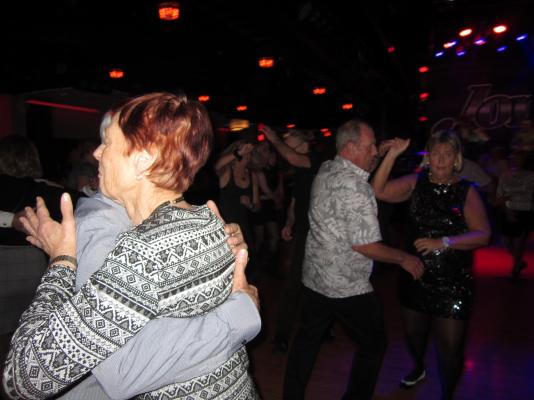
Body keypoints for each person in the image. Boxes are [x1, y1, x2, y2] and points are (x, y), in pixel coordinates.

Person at [3, 92, 260, 399]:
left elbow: (23, 378)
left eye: (108, 143)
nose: (96, 153)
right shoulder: (210, 220)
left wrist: (62, 261)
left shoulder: (140, 251)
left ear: (142, 161)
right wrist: (239, 315)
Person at [283, 119, 424, 400]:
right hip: (346, 286)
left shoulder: (327, 168)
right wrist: (403, 258)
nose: (374, 150)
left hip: (315, 278)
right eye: (370, 146)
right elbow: (366, 246)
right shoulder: (357, 189)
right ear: (351, 147)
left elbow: (361, 172)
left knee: (306, 341)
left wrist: (381, 153)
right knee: (374, 344)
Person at [372, 129, 491, 399]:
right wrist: (391, 155)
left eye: (447, 154)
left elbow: (483, 234)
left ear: (456, 159)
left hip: (453, 281)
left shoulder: (467, 191)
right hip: (415, 274)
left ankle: (447, 394)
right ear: (428, 157)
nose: (441, 160)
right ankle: (418, 367)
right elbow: (379, 190)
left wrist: (444, 242)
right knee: (414, 335)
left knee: (450, 347)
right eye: (436, 153)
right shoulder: (417, 182)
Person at [259, 125, 321, 353]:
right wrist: (288, 223)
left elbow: (292, 157)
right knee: (293, 286)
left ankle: (322, 326)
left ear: (303, 142)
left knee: (319, 284)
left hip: (321, 234)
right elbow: (295, 202)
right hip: (304, 233)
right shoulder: (299, 168)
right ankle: (282, 337)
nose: (285, 143)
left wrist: (274, 138)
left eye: (290, 139)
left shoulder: (314, 160)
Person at [495, 150, 534, 278]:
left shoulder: (530, 175)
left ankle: (515, 268)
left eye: (519, 159)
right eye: (514, 159)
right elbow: (499, 196)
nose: (516, 161)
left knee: (519, 242)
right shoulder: (504, 176)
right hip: (507, 211)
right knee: (506, 242)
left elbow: (527, 193)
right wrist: (507, 209)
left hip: (524, 211)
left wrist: (508, 195)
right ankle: (519, 262)